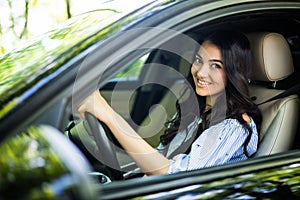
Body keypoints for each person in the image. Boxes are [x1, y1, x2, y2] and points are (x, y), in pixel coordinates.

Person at [78, 30, 262, 176]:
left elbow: (174, 176)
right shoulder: (195, 111)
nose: (201, 72)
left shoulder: (235, 126)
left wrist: (108, 114)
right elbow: (160, 159)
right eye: (198, 60)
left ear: (233, 73)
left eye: (216, 66)